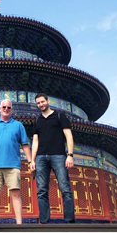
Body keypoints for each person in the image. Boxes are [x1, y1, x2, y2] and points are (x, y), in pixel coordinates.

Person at [0, 99, 32, 224]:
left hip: (13, 164)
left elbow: (25, 145)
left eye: (8, 107)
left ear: (12, 110)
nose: (6, 109)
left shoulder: (18, 125)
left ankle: (19, 224)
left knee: (15, 193)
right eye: (3, 107)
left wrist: (31, 161)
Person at [30, 93, 76, 224]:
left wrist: (70, 155)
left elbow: (69, 136)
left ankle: (69, 221)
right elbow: (35, 142)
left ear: (48, 101)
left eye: (42, 102)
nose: (41, 104)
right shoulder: (37, 120)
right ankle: (44, 221)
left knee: (65, 188)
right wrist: (33, 160)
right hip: (41, 158)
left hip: (59, 156)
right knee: (42, 191)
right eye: (38, 103)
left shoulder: (60, 116)